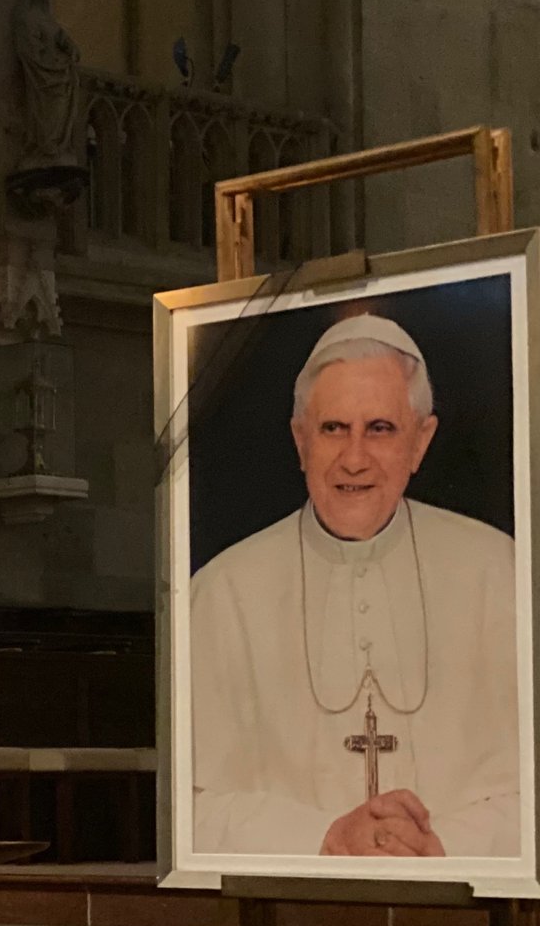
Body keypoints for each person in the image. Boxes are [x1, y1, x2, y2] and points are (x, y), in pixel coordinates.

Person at [191, 313, 518, 858]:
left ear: (421, 441)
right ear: (301, 442)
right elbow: (190, 812)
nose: (355, 458)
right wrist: (322, 838)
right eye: (333, 428)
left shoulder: (498, 573)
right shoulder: (223, 592)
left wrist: (440, 847)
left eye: (381, 429)